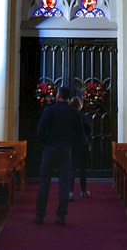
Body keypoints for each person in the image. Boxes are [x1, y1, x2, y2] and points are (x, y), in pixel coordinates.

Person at [34, 86, 84, 226]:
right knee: (64, 183)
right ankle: (61, 216)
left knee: (45, 181)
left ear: (58, 96)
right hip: (66, 149)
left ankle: (40, 215)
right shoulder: (73, 113)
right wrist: (70, 144)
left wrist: (45, 144)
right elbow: (80, 135)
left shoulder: (50, 110)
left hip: (50, 148)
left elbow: (40, 130)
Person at [68, 96, 92, 200]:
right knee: (83, 169)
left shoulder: (68, 116)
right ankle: (83, 191)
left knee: (71, 168)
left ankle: (70, 192)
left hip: (71, 145)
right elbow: (89, 131)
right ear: (80, 106)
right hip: (82, 144)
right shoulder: (83, 116)